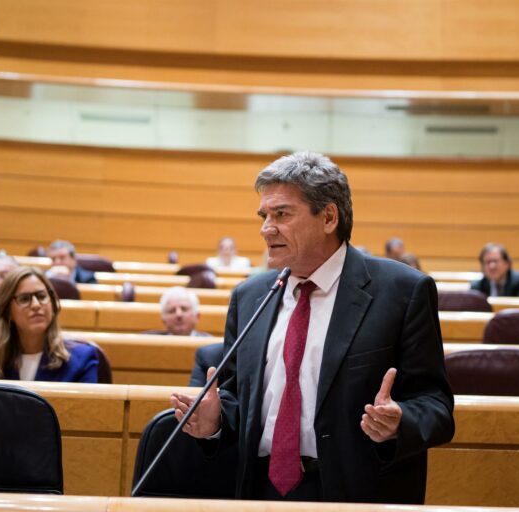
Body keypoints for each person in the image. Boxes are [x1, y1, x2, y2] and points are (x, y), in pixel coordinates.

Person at [171, 151, 454, 503]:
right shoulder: (250, 296)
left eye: (281, 214)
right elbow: (237, 398)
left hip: (357, 494)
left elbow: (436, 406)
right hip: (261, 491)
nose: (266, 228)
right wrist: (216, 421)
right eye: (264, 216)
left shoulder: (402, 291)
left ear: (329, 217)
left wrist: (400, 421)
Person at [0, 266, 98, 382]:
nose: (36, 305)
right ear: (7, 311)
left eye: (42, 296)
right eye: (24, 299)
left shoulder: (82, 359)